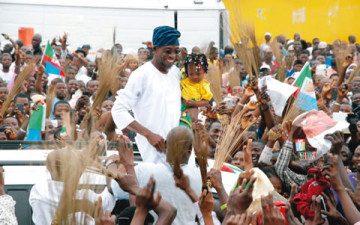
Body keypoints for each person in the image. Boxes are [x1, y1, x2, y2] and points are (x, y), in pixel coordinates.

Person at [111, 26, 182, 163]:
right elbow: (118, 110)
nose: (172, 55)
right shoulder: (141, 75)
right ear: (155, 49)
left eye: (176, 51)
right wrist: (148, 135)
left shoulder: (176, 73)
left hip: (177, 148)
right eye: (167, 51)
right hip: (153, 151)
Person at [180, 53, 212, 124]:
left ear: (204, 72)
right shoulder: (184, 80)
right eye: (191, 74)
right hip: (180, 106)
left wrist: (194, 103)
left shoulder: (203, 85)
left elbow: (206, 101)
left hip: (193, 108)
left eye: (198, 74)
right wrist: (183, 100)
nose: (195, 77)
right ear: (187, 72)